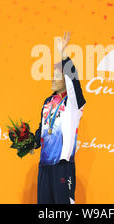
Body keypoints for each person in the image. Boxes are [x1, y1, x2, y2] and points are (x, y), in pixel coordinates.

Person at [34, 32, 86, 204]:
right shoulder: (47, 102)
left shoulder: (73, 103)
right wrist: (28, 140)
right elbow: (42, 131)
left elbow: (74, 80)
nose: (52, 78)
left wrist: (63, 54)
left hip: (62, 167)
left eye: (57, 75)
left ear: (65, 80)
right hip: (45, 167)